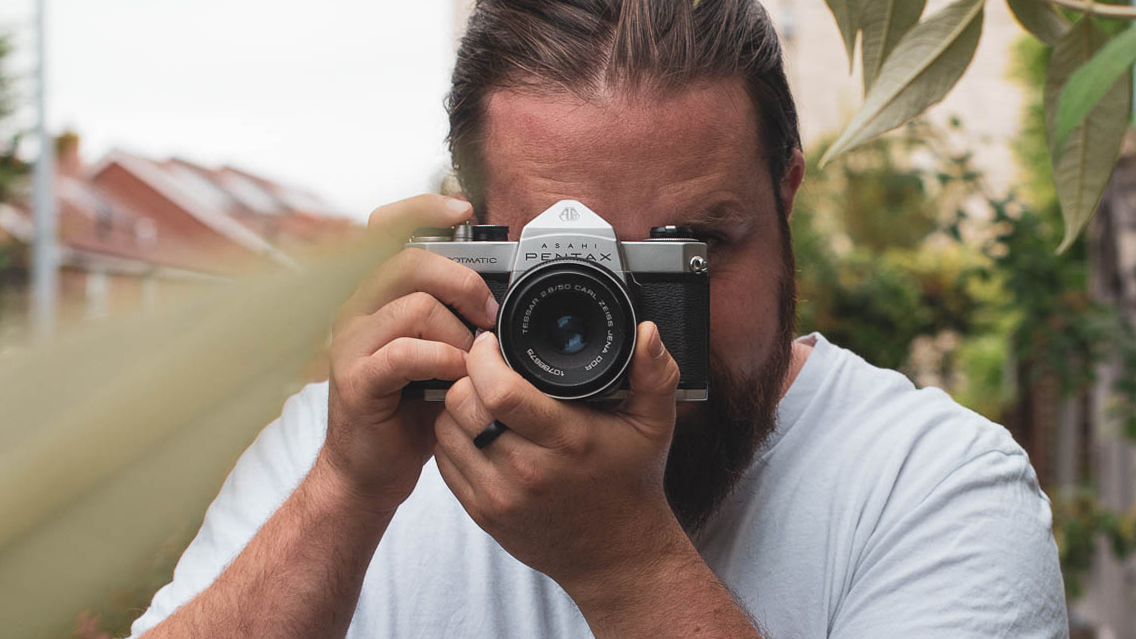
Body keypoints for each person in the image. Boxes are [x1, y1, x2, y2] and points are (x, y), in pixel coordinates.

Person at [128, 1, 1068, 637]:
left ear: (785, 200)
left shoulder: (931, 485)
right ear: (472, 235)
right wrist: (344, 493)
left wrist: (627, 564)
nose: (635, 334)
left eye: (690, 245)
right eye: (568, 266)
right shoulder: (354, 450)